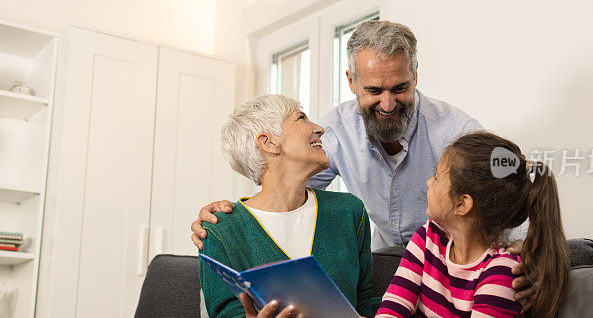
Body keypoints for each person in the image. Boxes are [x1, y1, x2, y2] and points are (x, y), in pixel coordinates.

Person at [191, 20, 535, 303]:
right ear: (351, 82)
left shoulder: (458, 131)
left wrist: (524, 252)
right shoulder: (335, 131)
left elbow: (514, 199)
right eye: (374, 91)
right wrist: (230, 214)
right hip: (393, 268)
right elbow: (285, 189)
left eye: (399, 88)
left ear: (415, 75)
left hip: (460, 268)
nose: (387, 104)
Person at [302, 131, 571, 318]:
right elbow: (392, 314)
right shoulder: (426, 239)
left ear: (462, 204)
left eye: (437, 177)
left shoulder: (504, 270)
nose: (428, 182)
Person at [163, 94, 379, 318]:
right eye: (302, 118)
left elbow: (366, 302)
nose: (318, 128)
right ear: (269, 142)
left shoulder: (347, 211)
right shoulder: (221, 230)